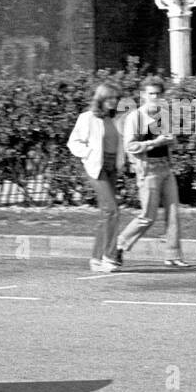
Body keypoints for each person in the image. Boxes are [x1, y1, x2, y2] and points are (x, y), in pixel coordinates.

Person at [117, 76, 189, 267]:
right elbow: (130, 146)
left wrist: (171, 140)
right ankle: (119, 245)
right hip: (147, 170)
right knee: (148, 216)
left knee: (174, 212)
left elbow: (171, 141)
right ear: (143, 95)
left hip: (165, 167)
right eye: (151, 94)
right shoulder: (136, 117)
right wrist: (155, 142)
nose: (154, 97)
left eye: (158, 94)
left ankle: (173, 255)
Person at [67, 81, 128, 272]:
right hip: (97, 168)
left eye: (115, 98)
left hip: (112, 168)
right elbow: (73, 142)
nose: (112, 102)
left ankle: (95, 259)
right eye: (109, 98)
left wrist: (122, 161)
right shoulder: (87, 118)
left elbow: (120, 143)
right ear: (100, 99)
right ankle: (109, 258)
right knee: (113, 211)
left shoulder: (116, 118)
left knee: (106, 214)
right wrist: (88, 154)